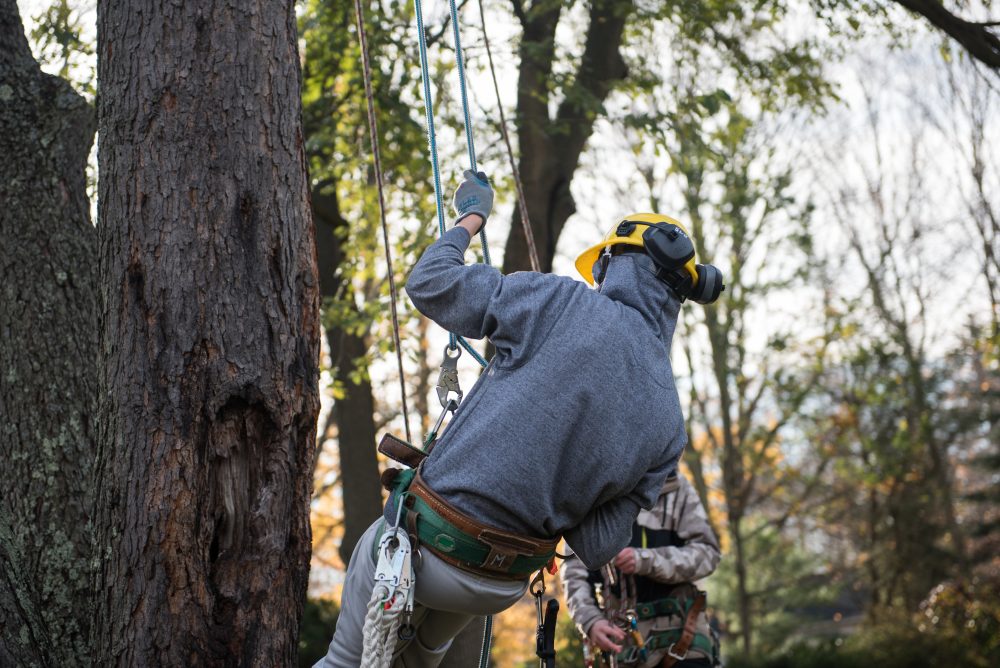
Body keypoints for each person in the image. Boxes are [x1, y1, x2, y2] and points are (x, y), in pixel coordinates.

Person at [315, 170, 722, 667]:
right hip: (501, 584)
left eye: (604, 267)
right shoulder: (670, 423)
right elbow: (596, 545)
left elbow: (429, 283)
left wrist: (471, 218)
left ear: (618, 266)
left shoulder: (561, 302)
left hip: (432, 546)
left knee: (344, 657)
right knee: (415, 662)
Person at [562, 472, 721, 667]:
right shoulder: (589, 493)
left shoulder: (677, 488)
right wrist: (591, 621)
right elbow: (573, 572)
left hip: (682, 641)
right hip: (622, 647)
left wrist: (646, 560)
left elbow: (708, 554)